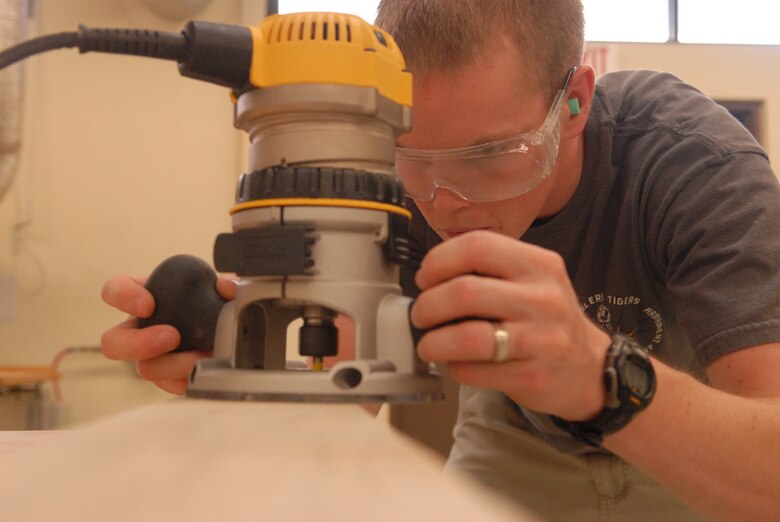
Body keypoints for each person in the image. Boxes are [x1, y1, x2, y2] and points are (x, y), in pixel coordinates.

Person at [101, 1, 780, 520]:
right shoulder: (387, 182)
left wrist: (602, 376)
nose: (445, 201)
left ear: (573, 102)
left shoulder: (696, 167)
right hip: (515, 443)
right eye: (416, 157)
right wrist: (249, 382)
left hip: (693, 447)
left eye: (488, 157)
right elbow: (345, 402)